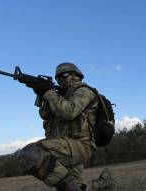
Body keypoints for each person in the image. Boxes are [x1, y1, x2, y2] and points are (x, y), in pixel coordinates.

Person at [16, 62, 116, 191]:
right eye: (58, 78)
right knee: (75, 186)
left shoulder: (84, 91)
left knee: (30, 154)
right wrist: (42, 92)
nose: (61, 80)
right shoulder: (60, 96)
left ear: (76, 75)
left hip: (79, 145)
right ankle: (103, 185)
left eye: (65, 75)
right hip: (64, 144)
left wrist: (48, 91)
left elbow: (69, 111)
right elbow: (45, 114)